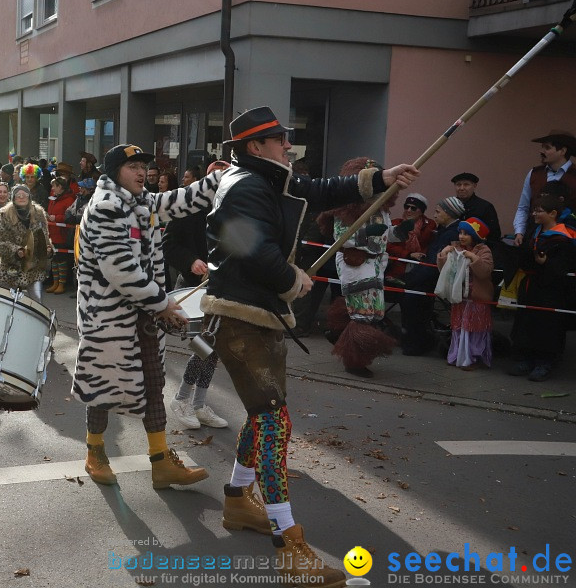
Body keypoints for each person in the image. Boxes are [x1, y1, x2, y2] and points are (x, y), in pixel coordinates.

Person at [200, 106, 417, 588]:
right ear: (256, 147)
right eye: (280, 140)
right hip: (241, 318)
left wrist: (380, 177)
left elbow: (317, 188)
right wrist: (292, 278)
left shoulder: (267, 178)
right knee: (275, 422)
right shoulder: (247, 186)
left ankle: (237, 500)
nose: (288, 147)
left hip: (258, 315)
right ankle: (289, 544)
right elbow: (248, 248)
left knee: (264, 415)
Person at [74, 143, 223, 493]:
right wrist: (164, 305)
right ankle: (94, 452)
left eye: (144, 166)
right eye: (133, 167)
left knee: (154, 386)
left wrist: (220, 179)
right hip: (108, 322)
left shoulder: (142, 202)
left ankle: (160, 462)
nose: (142, 172)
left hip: (144, 316)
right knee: (103, 389)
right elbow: (120, 270)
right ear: (114, 173)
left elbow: (181, 200)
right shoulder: (106, 207)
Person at [318, 157, 411, 378]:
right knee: (363, 312)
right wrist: (366, 234)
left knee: (370, 308)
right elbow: (342, 239)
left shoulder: (382, 209)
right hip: (357, 264)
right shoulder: (345, 210)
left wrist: (400, 232)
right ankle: (355, 360)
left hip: (378, 264)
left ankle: (338, 332)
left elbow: (386, 234)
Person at [163, 162, 230, 430]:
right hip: (193, 289)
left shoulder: (234, 209)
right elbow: (168, 245)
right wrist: (191, 262)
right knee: (202, 346)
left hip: (223, 291)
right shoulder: (188, 208)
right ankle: (181, 400)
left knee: (213, 351)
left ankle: (199, 403)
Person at [507, 192, 576, 381]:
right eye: (534, 211)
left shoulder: (564, 237)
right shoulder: (534, 232)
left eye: (539, 211)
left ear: (553, 213)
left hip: (551, 291)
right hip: (531, 287)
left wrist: (546, 262)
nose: (535, 215)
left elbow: (564, 266)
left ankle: (545, 362)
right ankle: (525, 359)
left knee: (548, 326)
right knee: (526, 322)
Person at [399, 196, 464, 356]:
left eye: (438, 211)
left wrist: (411, 279)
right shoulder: (446, 230)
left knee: (414, 305)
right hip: (427, 276)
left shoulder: (451, 233)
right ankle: (417, 341)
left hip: (431, 279)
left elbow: (435, 263)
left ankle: (416, 344)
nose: (434, 215)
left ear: (449, 213)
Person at [437, 217, 495, 370]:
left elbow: (485, 272)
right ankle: (457, 355)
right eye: (460, 233)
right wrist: (443, 255)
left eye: (466, 234)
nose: (461, 236)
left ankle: (475, 357)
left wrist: (474, 258)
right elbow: (445, 271)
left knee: (475, 328)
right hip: (460, 297)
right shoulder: (455, 248)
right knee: (459, 328)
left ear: (475, 236)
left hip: (477, 299)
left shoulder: (483, 250)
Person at [513, 130, 576, 246]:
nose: (541, 151)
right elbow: (523, 207)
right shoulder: (534, 174)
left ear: (562, 151)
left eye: (547, 148)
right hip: (534, 237)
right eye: (542, 147)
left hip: (566, 242)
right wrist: (519, 232)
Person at [0, 184, 53, 301]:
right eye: (18, 195)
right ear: (13, 198)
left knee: (37, 303)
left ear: (29, 197)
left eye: (24, 195)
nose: (21, 197)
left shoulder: (39, 214)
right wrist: (16, 251)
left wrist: (48, 250)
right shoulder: (4, 214)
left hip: (33, 269)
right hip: (10, 269)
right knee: (7, 303)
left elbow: (45, 238)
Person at [386, 193, 435, 282]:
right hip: (396, 269)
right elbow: (387, 245)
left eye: (413, 208)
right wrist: (409, 254)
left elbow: (430, 245)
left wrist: (420, 255)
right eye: (406, 207)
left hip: (419, 269)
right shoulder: (396, 223)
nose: (408, 210)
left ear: (421, 211)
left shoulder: (430, 226)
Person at [450, 172, 502, 251]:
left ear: (474, 186)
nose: (461, 188)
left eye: (466, 184)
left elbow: (494, 236)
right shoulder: (449, 206)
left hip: (478, 253)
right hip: (452, 250)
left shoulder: (485, 207)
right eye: (458, 185)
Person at [45, 177, 76, 294]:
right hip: (53, 232)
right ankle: (55, 283)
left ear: (60, 187)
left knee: (61, 259)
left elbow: (69, 216)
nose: (52, 189)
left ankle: (61, 284)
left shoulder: (69, 200)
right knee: (54, 259)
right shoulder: (54, 199)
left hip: (62, 233)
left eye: (54, 186)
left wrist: (56, 218)